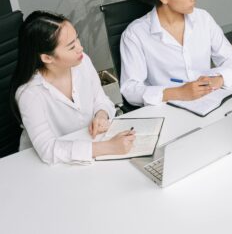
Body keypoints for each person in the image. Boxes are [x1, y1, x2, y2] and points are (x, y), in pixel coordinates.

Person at [120, 0, 232, 106]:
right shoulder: (135, 35)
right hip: (169, 112)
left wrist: (218, 80)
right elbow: (130, 89)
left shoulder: (203, 19)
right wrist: (178, 93)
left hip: (209, 103)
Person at [9, 11, 136, 165]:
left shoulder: (82, 62)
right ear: (47, 58)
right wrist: (107, 147)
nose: (80, 48)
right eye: (71, 47)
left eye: (77, 39)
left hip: (90, 147)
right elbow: (48, 150)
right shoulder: (29, 93)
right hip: (46, 167)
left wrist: (101, 115)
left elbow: (100, 99)